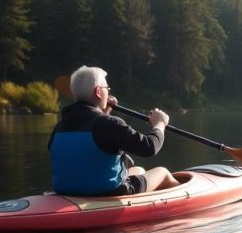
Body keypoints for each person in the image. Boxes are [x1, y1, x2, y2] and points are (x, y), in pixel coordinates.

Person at [49, 66, 181, 195]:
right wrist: (160, 124)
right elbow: (149, 147)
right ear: (98, 92)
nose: (108, 92)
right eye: (107, 88)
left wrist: (104, 113)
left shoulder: (59, 127)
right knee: (162, 172)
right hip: (108, 191)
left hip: (65, 191)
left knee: (139, 170)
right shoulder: (109, 124)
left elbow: (87, 148)